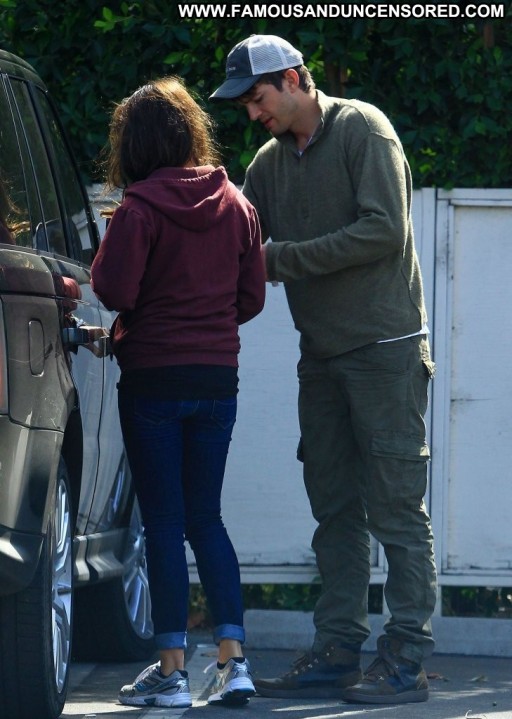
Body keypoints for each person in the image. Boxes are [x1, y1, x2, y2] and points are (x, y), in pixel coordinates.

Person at [210, 34, 437, 705]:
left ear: (292, 79)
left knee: (396, 508)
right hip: (322, 357)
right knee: (334, 507)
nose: (254, 114)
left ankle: (406, 658)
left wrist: (280, 259)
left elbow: (384, 229)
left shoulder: (364, 128)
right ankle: (339, 649)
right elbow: (239, 238)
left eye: (258, 98)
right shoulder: (267, 164)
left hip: (387, 348)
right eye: (246, 106)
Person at [91, 76, 265, 709]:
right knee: (206, 519)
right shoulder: (236, 202)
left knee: (163, 523)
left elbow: (114, 290)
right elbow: (252, 298)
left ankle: (171, 673)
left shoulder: (138, 209)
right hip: (218, 380)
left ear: (133, 144)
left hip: (154, 380)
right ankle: (234, 662)